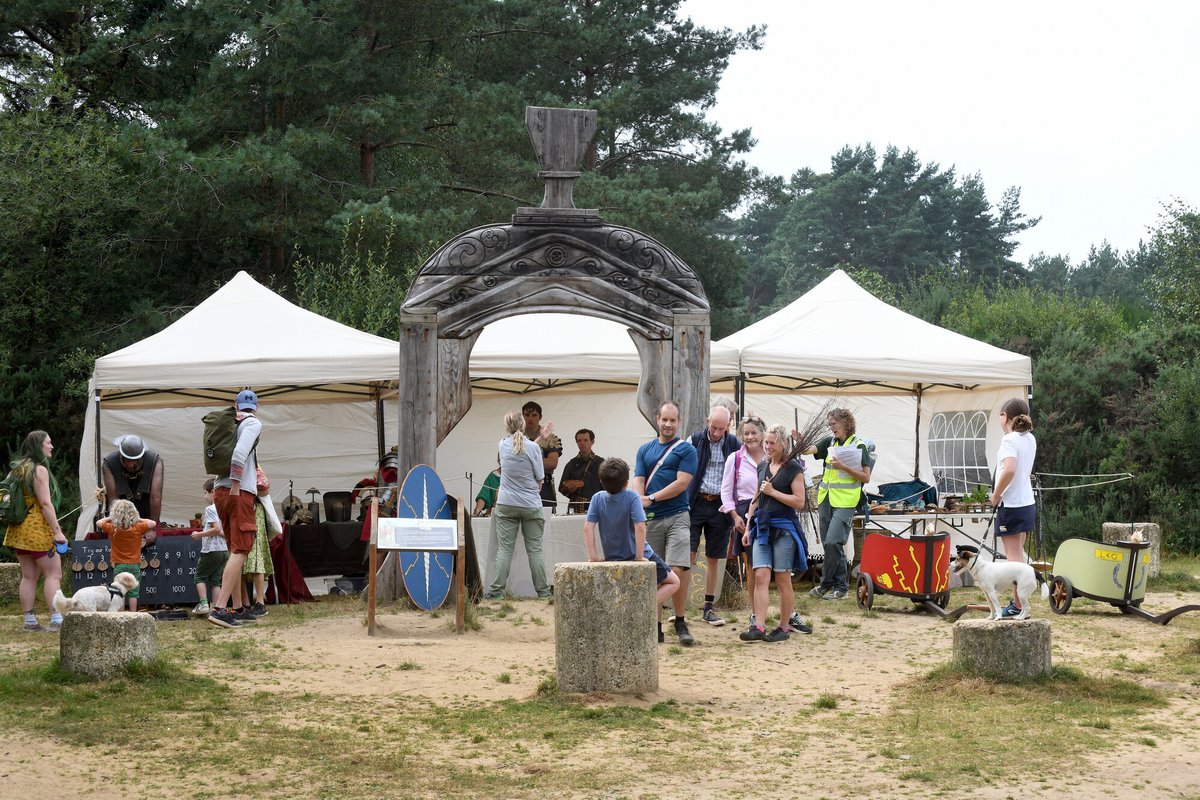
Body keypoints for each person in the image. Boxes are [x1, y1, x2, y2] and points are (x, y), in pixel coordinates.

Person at [584, 457, 681, 643]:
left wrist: (593, 557)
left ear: (602, 482)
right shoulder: (632, 496)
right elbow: (640, 526)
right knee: (674, 582)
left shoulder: (597, 497)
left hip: (612, 557)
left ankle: (632, 607)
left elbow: (588, 527)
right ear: (627, 482)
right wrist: (638, 557)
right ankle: (639, 606)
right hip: (640, 554)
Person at [632, 401, 698, 646]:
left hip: (678, 515)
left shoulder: (686, 450)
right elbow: (638, 478)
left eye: (673, 420)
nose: (668, 424)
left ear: (678, 422)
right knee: (654, 573)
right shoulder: (645, 449)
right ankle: (656, 626)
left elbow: (682, 483)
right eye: (664, 419)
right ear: (657, 419)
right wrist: (639, 499)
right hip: (651, 519)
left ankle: (680, 620)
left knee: (677, 568)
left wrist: (651, 498)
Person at [739, 425, 812, 642]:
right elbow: (756, 496)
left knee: (782, 579)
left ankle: (783, 627)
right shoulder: (762, 466)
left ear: (782, 444)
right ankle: (758, 627)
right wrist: (749, 522)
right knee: (760, 575)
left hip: (784, 529)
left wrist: (773, 492)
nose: (768, 447)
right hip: (761, 528)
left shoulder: (793, 469)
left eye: (772, 443)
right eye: (766, 443)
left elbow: (800, 502)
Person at [208, 389, 264, 629]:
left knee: (234, 550)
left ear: (236, 405)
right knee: (241, 549)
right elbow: (240, 454)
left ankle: (239, 607)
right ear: (256, 407)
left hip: (220, 490)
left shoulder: (231, 423)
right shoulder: (253, 424)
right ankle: (220, 609)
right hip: (237, 491)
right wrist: (238, 484)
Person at [805, 408, 874, 601]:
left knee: (833, 541)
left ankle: (830, 584)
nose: (831, 427)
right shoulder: (830, 443)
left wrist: (843, 466)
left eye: (833, 423)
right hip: (826, 498)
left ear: (845, 423)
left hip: (846, 501)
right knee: (830, 546)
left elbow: (866, 477)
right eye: (829, 423)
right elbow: (809, 450)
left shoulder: (859, 446)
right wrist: (801, 442)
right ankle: (836, 586)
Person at [3, 431, 69, 632]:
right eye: (48, 443)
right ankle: (57, 619)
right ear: (38, 445)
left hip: (18, 529)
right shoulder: (38, 470)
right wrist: (57, 532)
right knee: (53, 573)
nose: (52, 446)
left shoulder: (17, 469)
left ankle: (29, 621)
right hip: (37, 529)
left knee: (28, 576)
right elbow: (46, 504)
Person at [485, 410, 551, 599]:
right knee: (535, 550)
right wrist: (541, 438)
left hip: (506, 502)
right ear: (523, 425)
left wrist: (539, 438)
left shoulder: (502, 444)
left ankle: (496, 591)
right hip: (530, 502)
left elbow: (518, 448)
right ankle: (544, 593)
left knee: (504, 550)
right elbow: (540, 479)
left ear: (507, 426)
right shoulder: (533, 448)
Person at [687, 405, 740, 626]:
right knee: (687, 556)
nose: (717, 433)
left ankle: (708, 608)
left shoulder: (734, 443)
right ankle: (681, 607)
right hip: (697, 501)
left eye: (722, 428)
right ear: (708, 421)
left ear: (728, 426)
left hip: (721, 504)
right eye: (714, 427)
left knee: (713, 558)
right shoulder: (696, 440)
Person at [990, 398, 1037, 618]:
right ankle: (1019, 602)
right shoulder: (1030, 438)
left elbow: (1009, 470)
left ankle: (1018, 605)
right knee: (1019, 554)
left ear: (1006, 417)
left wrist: (996, 494)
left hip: (1011, 504)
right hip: (1027, 503)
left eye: (1001, 414)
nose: (999, 418)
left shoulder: (1009, 440)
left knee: (1013, 559)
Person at [721, 414, 766, 626]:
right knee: (753, 565)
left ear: (762, 433)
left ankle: (785, 613)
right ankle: (755, 613)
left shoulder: (772, 456)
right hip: (746, 515)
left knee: (773, 566)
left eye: (753, 433)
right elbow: (726, 492)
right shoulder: (735, 459)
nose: (749, 437)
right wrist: (735, 516)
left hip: (771, 511)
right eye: (745, 433)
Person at [96, 499, 156, 612]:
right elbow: (153, 523)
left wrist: (111, 518)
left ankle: (121, 612)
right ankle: (133, 613)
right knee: (134, 591)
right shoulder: (138, 528)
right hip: (135, 565)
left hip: (119, 565)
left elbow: (98, 523)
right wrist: (138, 519)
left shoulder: (113, 528)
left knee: (120, 591)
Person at [101, 433, 164, 532]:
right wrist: (119, 525)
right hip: (121, 522)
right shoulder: (109, 463)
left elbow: (155, 498)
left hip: (148, 519)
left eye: (135, 460)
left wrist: (151, 529)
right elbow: (113, 500)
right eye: (126, 460)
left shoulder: (155, 462)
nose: (130, 465)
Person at [243, 467, 281, 617]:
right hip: (239, 509)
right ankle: (244, 603)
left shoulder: (253, 465)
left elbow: (264, 487)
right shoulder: (230, 462)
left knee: (256, 554)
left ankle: (259, 601)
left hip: (253, 510)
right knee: (238, 556)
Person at [191, 478, 228, 617]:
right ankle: (216, 608)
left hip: (211, 549)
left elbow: (216, 529)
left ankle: (204, 604)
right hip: (224, 550)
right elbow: (222, 531)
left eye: (205, 493)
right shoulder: (225, 507)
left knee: (199, 576)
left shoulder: (211, 509)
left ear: (213, 492)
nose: (204, 496)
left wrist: (199, 534)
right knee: (215, 580)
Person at [522, 401, 562, 512]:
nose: (530, 418)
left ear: (540, 417)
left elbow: (552, 464)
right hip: (520, 487)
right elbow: (504, 461)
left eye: (534, 415)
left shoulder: (550, 438)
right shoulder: (516, 437)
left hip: (544, 487)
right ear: (523, 416)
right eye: (527, 415)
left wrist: (523, 461)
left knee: (547, 524)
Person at [559, 429, 604, 513]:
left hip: (596, 505)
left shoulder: (601, 463)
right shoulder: (571, 464)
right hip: (575, 506)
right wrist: (569, 490)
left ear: (592, 442)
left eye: (586, 440)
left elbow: (608, 488)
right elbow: (561, 488)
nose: (582, 443)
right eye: (579, 440)